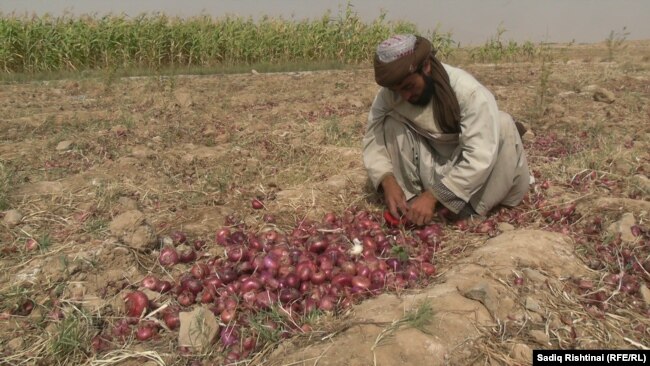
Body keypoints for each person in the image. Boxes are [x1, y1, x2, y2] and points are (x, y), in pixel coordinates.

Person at [363, 34, 530, 226]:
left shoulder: (468, 92)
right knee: (391, 123)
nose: (405, 96)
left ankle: (470, 211)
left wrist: (434, 196)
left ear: (426, 66)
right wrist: (387, 179)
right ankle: (410, 203)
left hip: (482, 179)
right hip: (437, 163)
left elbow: (479, 156)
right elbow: (372, 138)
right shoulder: (390, 95)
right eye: (398, 90)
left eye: (409, 86)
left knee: (503, 123)